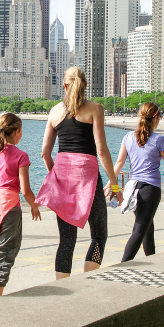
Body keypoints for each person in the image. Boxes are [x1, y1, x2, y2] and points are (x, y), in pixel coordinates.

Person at [37, 68, 122, 278]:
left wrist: (55, 176)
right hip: (89, 178)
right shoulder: (95, 109)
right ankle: (88, 281)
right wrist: (114, 185)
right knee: (99, 235)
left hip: (63, 178)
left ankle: (61, 284)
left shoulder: (54, 112)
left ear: (64, 86)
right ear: (85, 85)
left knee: (66, 240)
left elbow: (45, 154)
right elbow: (101, 151)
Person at [112, 102, 164, 262]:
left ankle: (152, 262)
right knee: (140, 228)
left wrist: (111, 184)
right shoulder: (159, 140)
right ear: (156, 118)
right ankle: (122, 265)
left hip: (132, 189)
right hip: (150, 189)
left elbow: (119, 163)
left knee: (147, 227)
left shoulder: (128, 137)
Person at [0, 114, 41, 298]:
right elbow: (25, 190)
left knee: (1, 247)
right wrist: (34, 206)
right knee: (6, 251)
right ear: (17, 131)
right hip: (8, 204)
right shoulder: (21, 156)